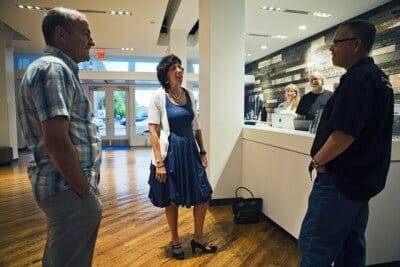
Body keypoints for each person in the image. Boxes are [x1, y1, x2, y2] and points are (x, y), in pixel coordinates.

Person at [298, 20, 394, 267]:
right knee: (350, 251)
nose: (331, 48)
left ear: (355, 45)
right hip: (360, 184)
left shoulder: (356, 80)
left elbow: (343, 135)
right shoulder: (380, 79)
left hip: (339, 182)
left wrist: (317, 161)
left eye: (336, 43)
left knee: (314, 248)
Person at [17, 7, 102, 267]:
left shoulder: (56, 70)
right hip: (68, 190)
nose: (92, 41)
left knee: (61, 256)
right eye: (85, 33)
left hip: (66, 188)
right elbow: (55, 139)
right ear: (61, 34)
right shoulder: (52, 70)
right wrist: (82, 189)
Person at [148, 54, 217, 259]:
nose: (179, 71)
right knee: (172, 199)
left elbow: (195, 126)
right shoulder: (158, 96)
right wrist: (159, 163)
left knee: (203, 195)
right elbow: (153, 131)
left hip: (190, 152)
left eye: (180, 67)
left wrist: (203, 151)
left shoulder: (188, 94)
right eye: (173, 68)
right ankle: (175, 239)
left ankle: (198, 238)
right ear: (165, 74)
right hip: (171, 154)